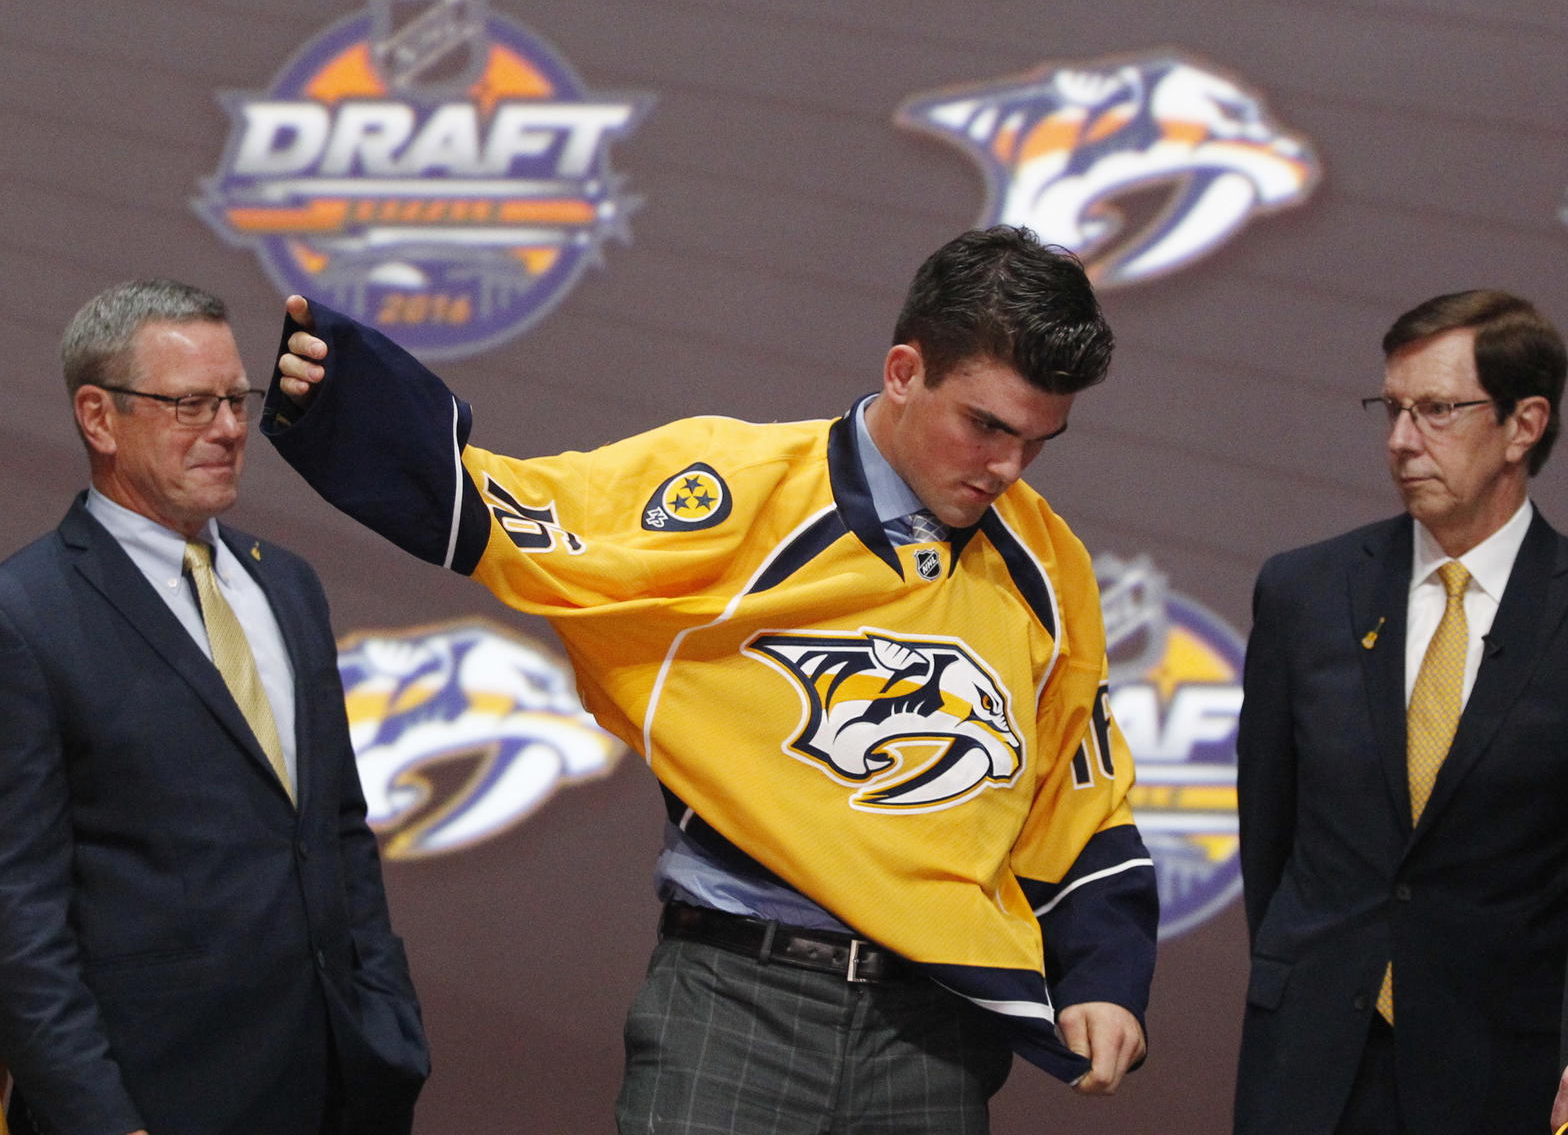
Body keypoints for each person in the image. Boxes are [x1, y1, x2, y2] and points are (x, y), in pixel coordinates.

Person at [265, 225, 1158, 1133]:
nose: (1008, 468)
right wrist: (347, 394)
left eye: (1038, 442)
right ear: (903, 371)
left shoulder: (1049, 565)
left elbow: (1074, 790)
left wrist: (1104, 976)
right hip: (738, 1002)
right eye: (987, 427)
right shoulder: (738, 486)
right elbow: (511, 517)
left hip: (935, 1033)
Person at [0, 281, 429, 1135]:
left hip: (335, 1088)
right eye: (192, 404)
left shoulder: (290, 584)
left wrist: (387, 1028)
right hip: (152, 1100)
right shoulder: (24, 614)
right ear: (99, 417)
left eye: (237, 399)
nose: (231, 429)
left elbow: (338, 828)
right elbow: (19, 913)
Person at [1233, 289, 1568, 1135]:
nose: (1401, 441)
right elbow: (1271, 834)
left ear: (1524, 424)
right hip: (1311, 1060)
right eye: (1392, 409)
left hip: (1506, 1070)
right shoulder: (1303, 591)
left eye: (1436, 410)